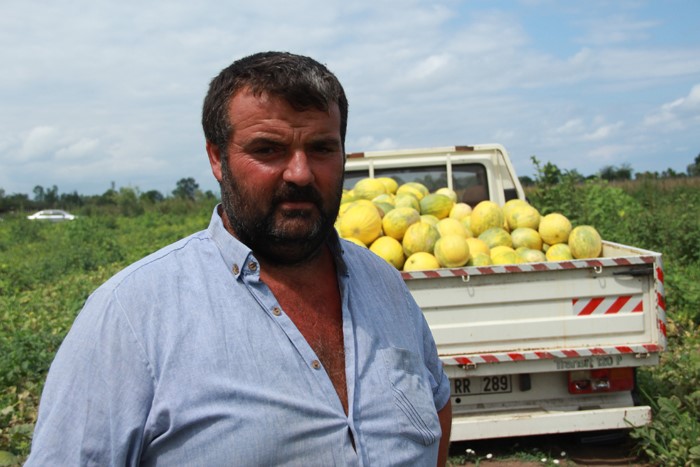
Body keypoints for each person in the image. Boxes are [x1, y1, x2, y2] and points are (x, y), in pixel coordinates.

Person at [26, 51, 452, 466]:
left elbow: (437, 407)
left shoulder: (385, 285)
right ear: (217, 158)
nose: (300, 173)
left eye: (322, 148)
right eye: (268, 150)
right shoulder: (131, 315)